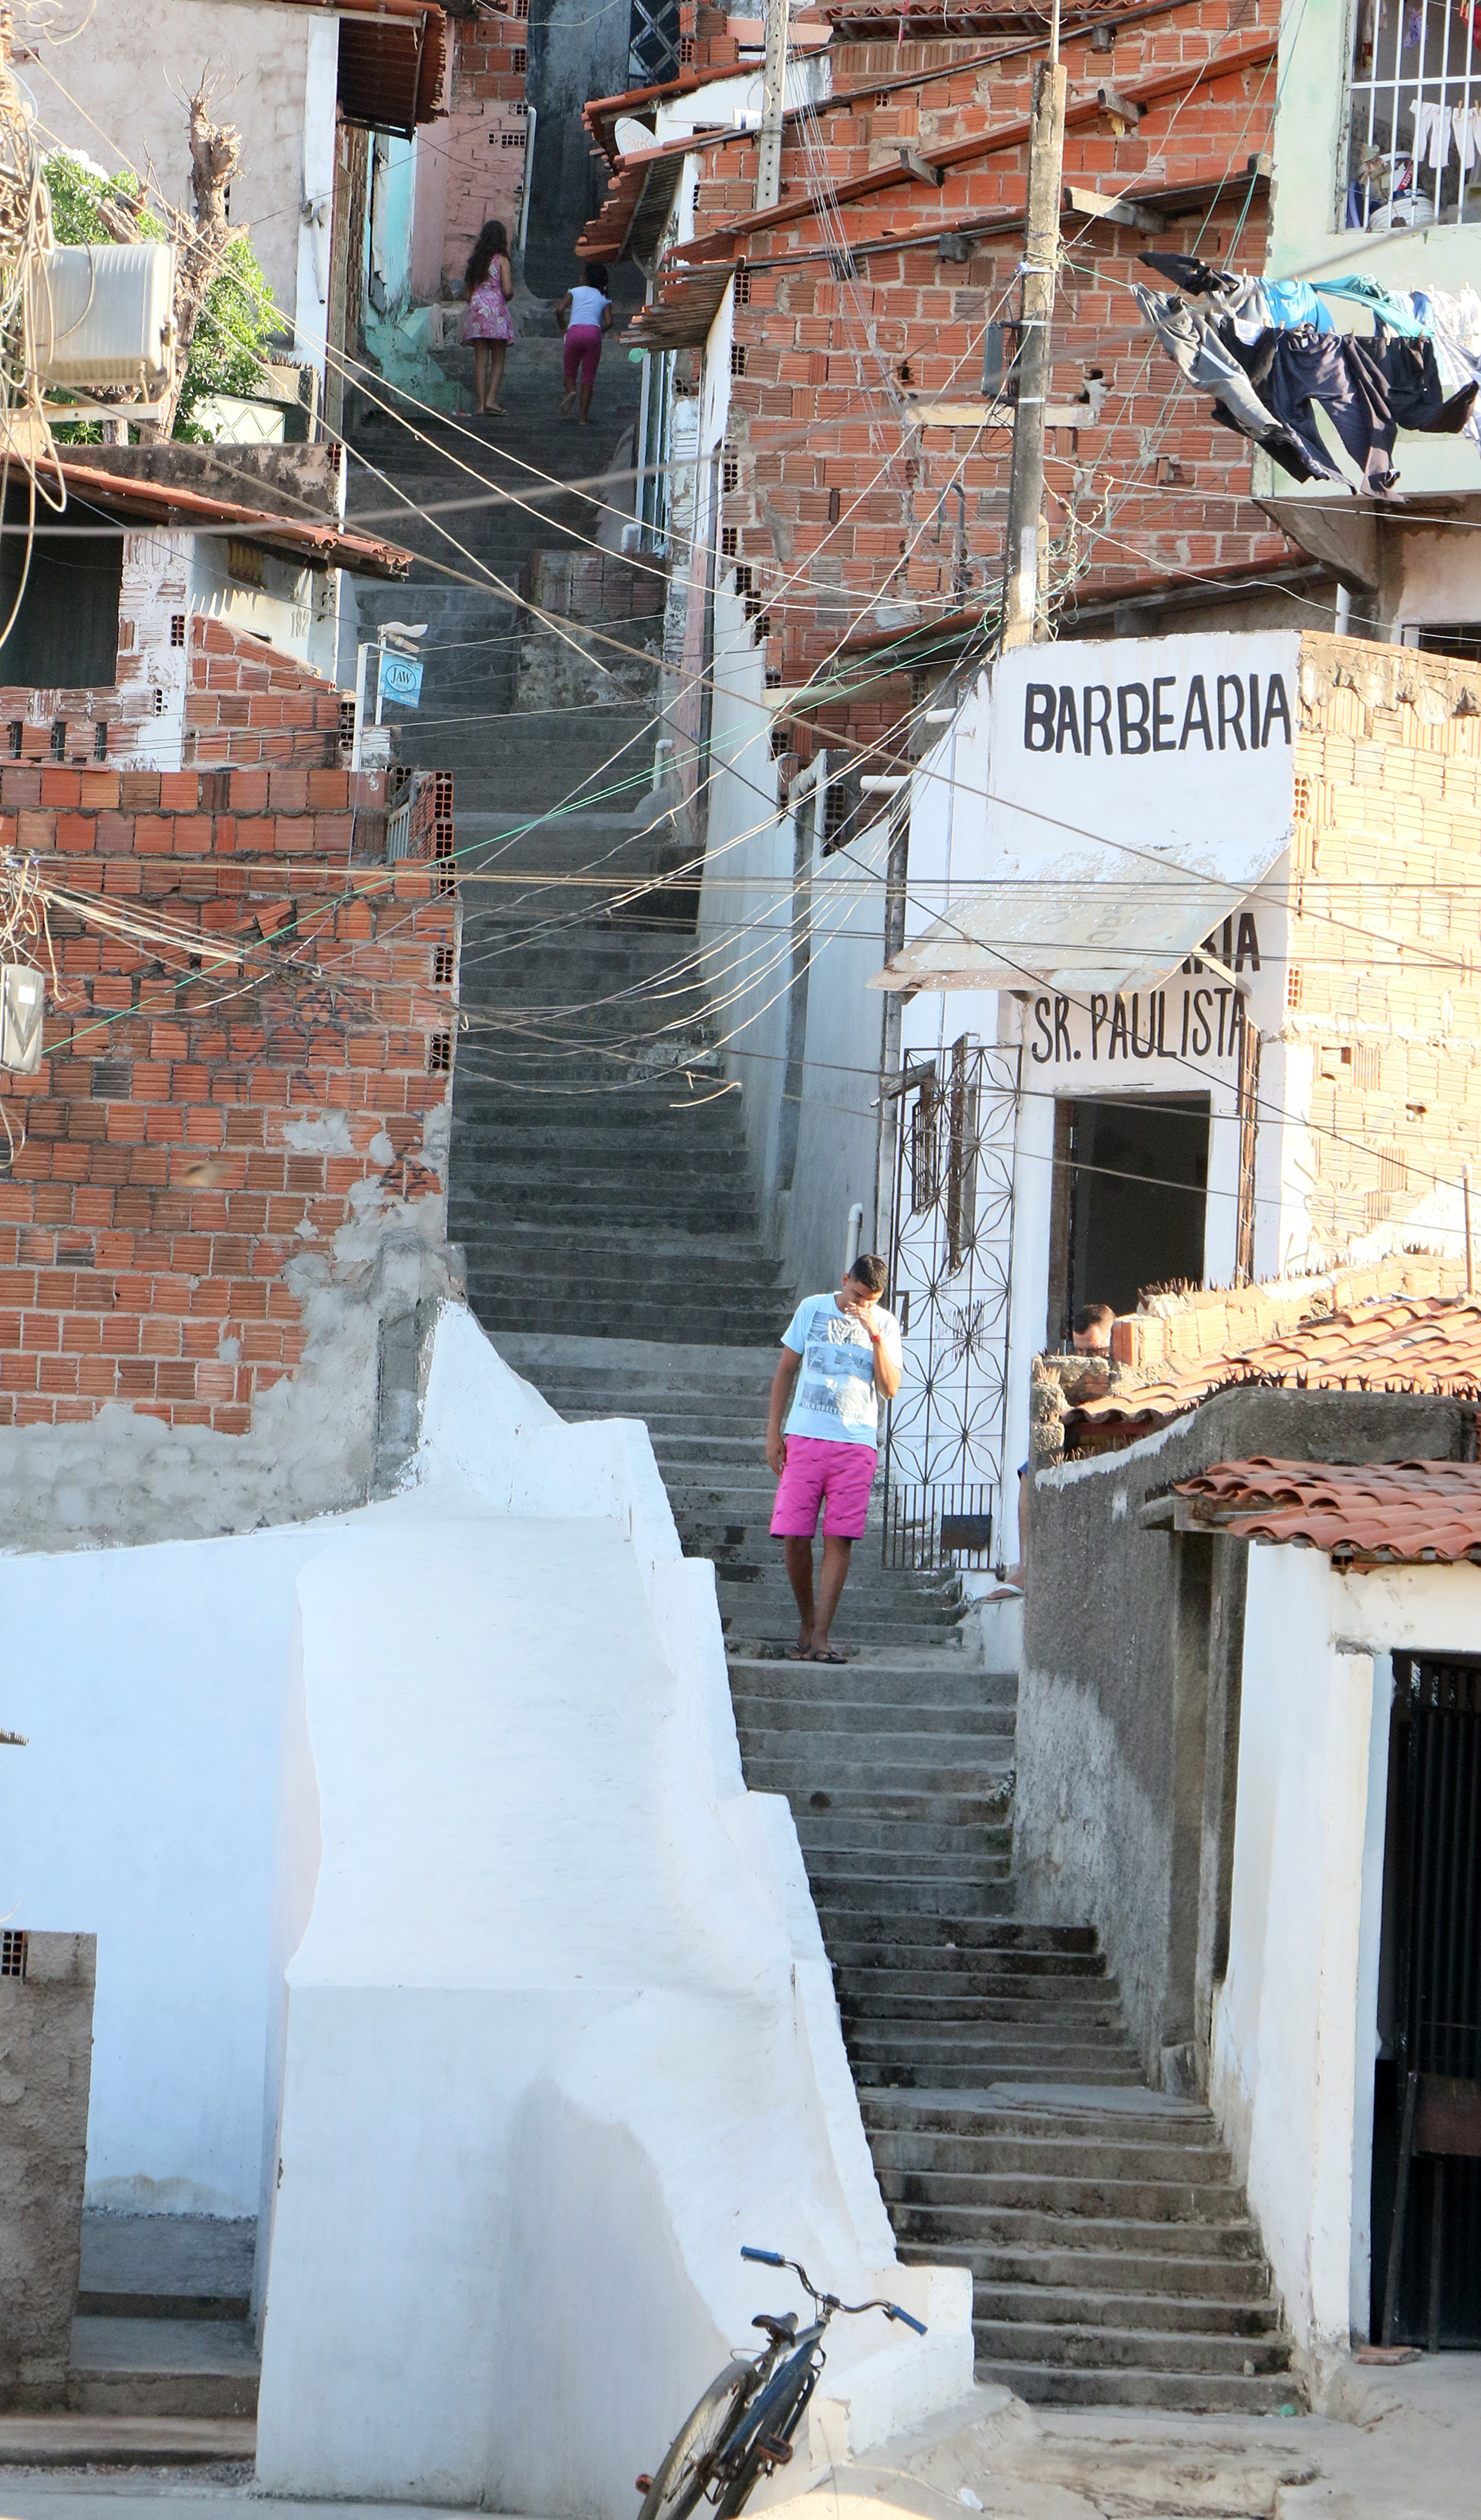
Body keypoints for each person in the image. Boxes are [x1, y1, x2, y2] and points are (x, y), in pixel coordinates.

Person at [765, 1254, 903, 1663]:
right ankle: (807, 1623)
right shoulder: (813, 1308)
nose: (863, 1304)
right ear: (845, 1280)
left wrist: (875, 1334)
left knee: (839, 1537)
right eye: (858, 1294)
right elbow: (786, 1370)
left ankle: (821, 1634)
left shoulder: (886, 1324)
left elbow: (890, 1388)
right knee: (793, 1534)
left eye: (872, 1299)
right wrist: (774, 1431)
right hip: (806, 1437)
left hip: (856, 1442)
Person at [1010, 1301, 1118, 1583]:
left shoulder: (1126, 1360)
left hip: (1113, 1429)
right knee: (1028, 1473)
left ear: (1113, 1339)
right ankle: (1026, 1567)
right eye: (1079, 1350)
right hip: (1076, 1431)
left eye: (1094, 1351)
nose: (1085, 1359)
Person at [461, 220, 514, 419]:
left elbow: (467, 293)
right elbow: (508, 290)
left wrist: (479, 299)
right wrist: (504, 296)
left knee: (480, 360)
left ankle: (481, 405)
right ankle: (492, 399)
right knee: (498, 359)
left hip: (477, 310)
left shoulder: (475, 261)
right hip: (496, 310)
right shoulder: (502, 261)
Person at [557, 263, 614, 423]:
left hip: (574, 332)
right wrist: (598, 332)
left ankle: (570, 392)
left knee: (569, 372)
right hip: (593, 334)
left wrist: (563, 328)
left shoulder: (575, 291)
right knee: (588, 379)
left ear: (586, 277)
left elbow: (560, 309)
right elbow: (609, 322)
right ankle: (583, 418)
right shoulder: (603, 297)